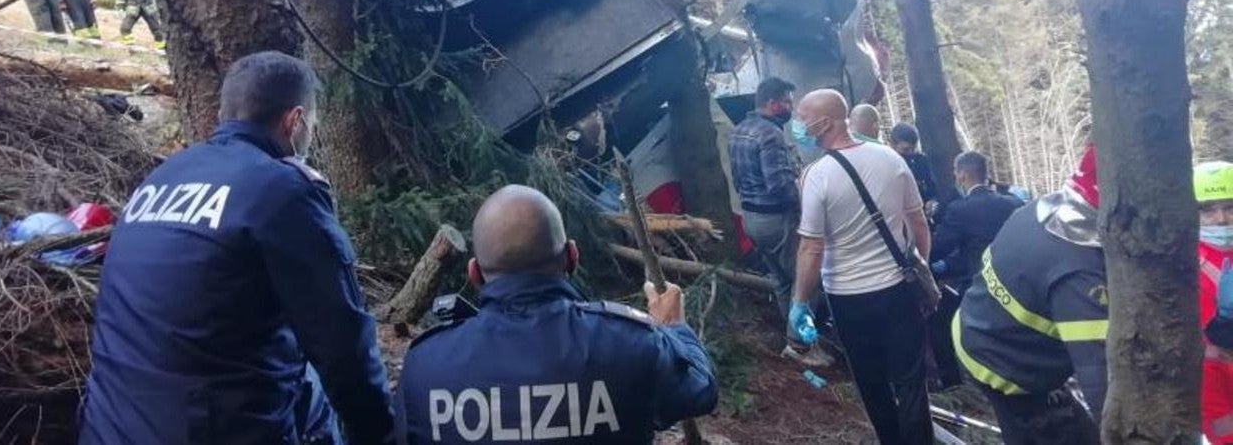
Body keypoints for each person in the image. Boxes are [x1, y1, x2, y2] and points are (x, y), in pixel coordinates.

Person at [80, 51, 393, 445]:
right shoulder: (282, 191)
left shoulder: (161, 177)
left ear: (223, 114)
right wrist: (380, 434)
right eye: (310, 124)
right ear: (294, 122)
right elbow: (344, 349)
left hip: (108, 426)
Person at [394, 185, 718, 444]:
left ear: (474, 273)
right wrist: (674, 327)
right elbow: (701, 391)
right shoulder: (631, 345)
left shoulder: (425, 365)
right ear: (572, 258)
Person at [789, 89, 933, 445]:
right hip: (898, 289)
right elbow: (918, 223)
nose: (798, 124)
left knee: (872, 383)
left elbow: (811, 247)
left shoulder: (817, 176)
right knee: (911, 381)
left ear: (825, 122)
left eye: (803, 117)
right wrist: (921, 267)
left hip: (848, 297)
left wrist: (799, 302)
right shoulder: (890, 159)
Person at [953, 145, 1105, 445]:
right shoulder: (1078, 276)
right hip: (1010, 368)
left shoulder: (1037, 210)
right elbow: (1101, 381)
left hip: (977, 331)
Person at [728, 76, 832, 367]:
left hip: (752, 218)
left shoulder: (738, 131)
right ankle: (801, 346)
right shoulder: (771, 135)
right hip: (778, 220)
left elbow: (737, 180)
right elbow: (780, 186)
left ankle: (792, 337)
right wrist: (807, 205)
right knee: (808, 284)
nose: (791, 107)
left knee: (784, 282)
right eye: (787, 102)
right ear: (772, 104)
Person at [926, 151, 1022, 391]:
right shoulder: (1013, 203)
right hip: (1017, 283)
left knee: (938, 320)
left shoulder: (960, 210)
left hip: (980, 284)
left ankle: (952, 383)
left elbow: (940, 247)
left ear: (963, 175)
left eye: (957, 173)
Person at [1194, 161, 1233, 443]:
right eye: (1207, 209)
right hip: (1212, 383)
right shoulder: (1178, 263)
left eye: (1229, 207)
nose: (1221, 219)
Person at [889, 123, 939, 210]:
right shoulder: (887, 163)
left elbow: (932, 187)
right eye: (906, 149)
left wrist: (931, 201)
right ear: (893, 145)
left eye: (913, 148)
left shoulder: (921, 160)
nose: (910, 153)